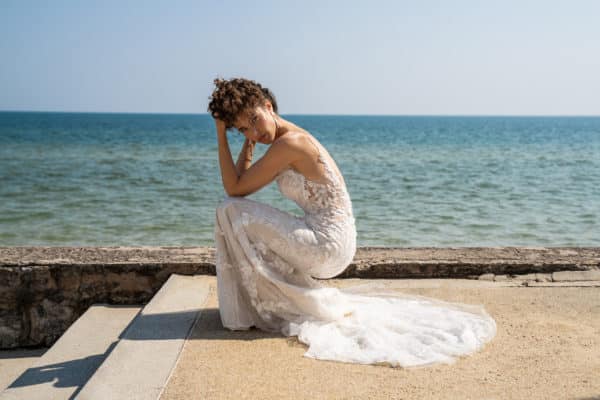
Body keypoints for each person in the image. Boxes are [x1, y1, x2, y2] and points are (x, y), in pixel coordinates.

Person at [208, 77, 497, 368]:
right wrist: (249, 139)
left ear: (268, 106)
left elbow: (235, 190)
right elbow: (241, 185)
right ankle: (255, 302)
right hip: (331, 240)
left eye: (255, 120)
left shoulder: (291, 144)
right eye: (244, 129)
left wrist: (221, 135)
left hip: (326, 246)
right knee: (233, 208)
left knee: (229, 209)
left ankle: (246, 309)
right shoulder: (287, 138)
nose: (255, 133)